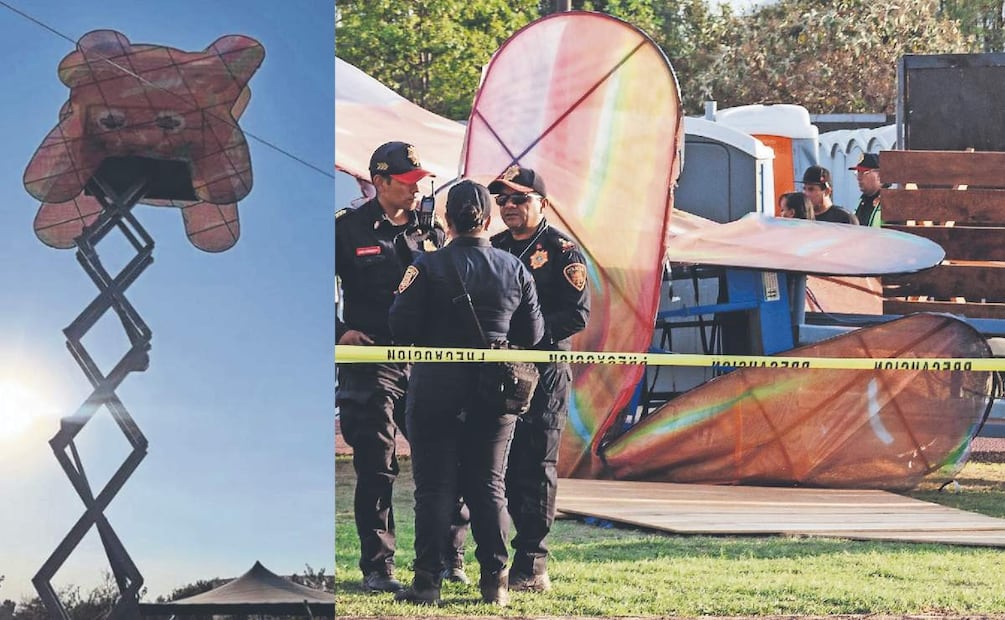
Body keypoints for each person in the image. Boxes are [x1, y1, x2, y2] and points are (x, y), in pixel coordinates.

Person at [389, 180, 545, 607]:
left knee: (434, 488)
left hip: (436, 388)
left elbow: (399, 329)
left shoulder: (425, 266)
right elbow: (533, 334)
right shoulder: (514, 268)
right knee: (490, 486)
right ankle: (495, 583)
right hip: (493, 392)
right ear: (489, 219)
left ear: (446, 219)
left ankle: (427, 583)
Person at [443, 166, 590, 592]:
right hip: (496, 375)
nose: (509, 206)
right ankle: (495, 561)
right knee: (496, 470)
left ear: (541, 202)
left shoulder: (563, 252)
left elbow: (577, 314)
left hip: (542, 374)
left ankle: (532, 563)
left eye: (519, 198)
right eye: (501, 199)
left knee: (536, 467)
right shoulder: (494, 247)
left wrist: (526, 336)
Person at [335, 141, 446, 593]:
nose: (416, 192)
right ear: (379, 183)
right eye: (407, 183)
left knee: (441, 460)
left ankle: (446, 559)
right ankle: (379, 568)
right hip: (372, 360)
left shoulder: (432, 231)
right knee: (378, 466)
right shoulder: (346, 229)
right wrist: (336, 330)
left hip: (425, 363)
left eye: (420, 183)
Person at [850, 153, 883, 227]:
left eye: (863, 173)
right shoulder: (862, 200)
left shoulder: (890, 202)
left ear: (879, 175)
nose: (858, 178)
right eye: (857, 173)